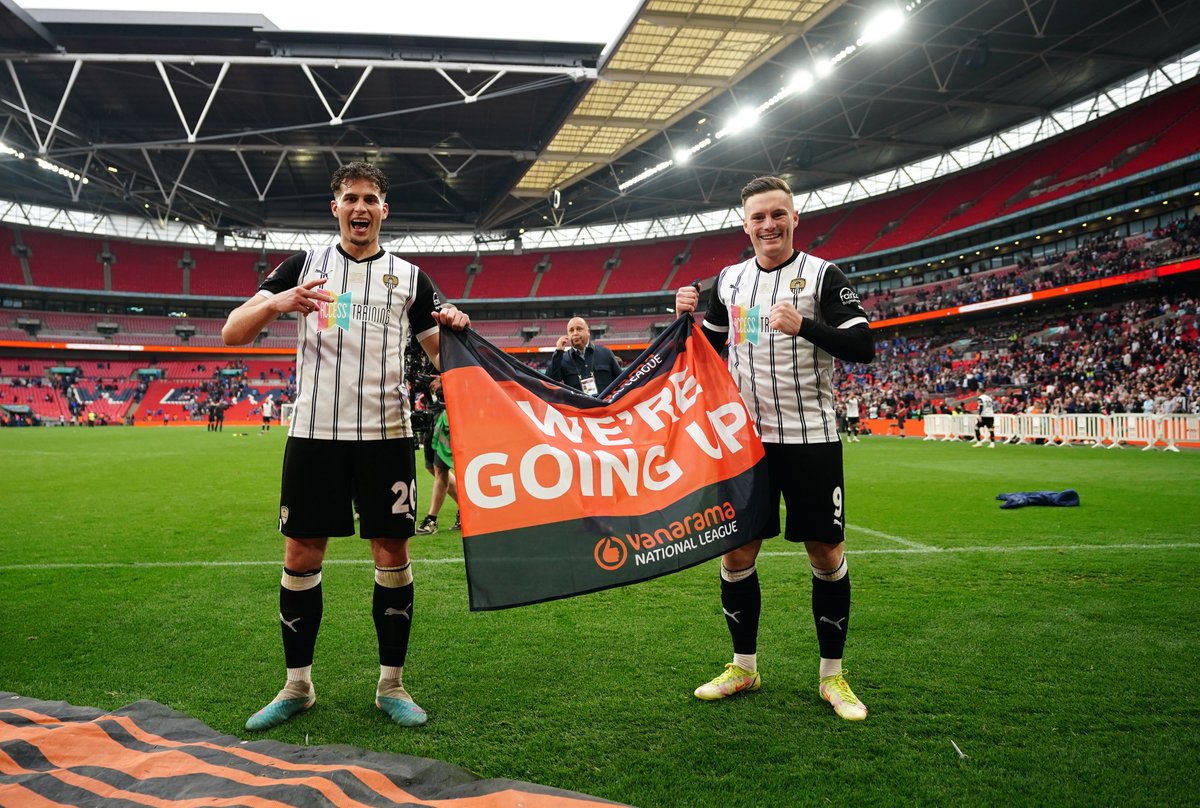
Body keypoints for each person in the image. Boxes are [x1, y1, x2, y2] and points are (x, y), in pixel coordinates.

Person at [222, 160, 470, 731]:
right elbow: (233, 332)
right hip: (314, 433)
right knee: (301, 556)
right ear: (334, 208)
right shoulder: (304, 267)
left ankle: (392, 685)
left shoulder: (410, 278)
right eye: (350, 198)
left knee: (393, 555)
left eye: (371, 199)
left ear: (386, 209)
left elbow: (443, 358)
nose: (361, 208)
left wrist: (456, 323)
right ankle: (297, 686)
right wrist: (275, 304)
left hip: (386, 436)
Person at [674, 175, 875, 721]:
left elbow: (864, 344)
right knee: (737, 553)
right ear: (745, 224)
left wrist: (806, 325)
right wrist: (684, 314)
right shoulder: (729, 280)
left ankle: (833, 678)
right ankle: (743, 666)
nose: (769, 224)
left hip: (811, 438)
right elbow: (707, 348)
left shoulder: (823, 276)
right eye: (758, 216)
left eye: (777, 214)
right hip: (745, 443)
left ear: (794, 218)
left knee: (825, 554)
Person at [414, 376, 460, 534]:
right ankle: (467, 509)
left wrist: (443, 378)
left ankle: (431, 520)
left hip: (446, 412)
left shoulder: (447, 354)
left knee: (440, 468)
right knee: (432, 468)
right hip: (432, 412)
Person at [545, 316, 621, 395]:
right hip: (578, 406)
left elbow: (621, 382)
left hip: (605, 405)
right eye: (571, 330)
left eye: (579, 329)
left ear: (588, 332)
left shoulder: (606, 353)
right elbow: (549, 381)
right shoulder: (562, 358)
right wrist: (558, 352)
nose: (575, 333)